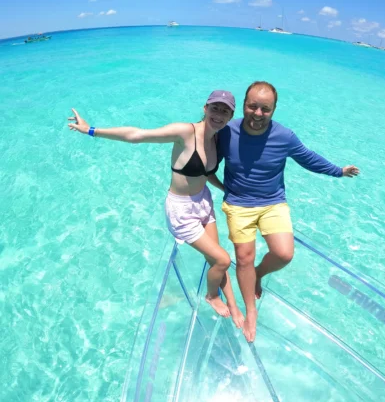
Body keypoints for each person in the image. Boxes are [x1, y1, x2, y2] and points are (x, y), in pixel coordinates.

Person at [68, 90, 244, 328]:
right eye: (215, 108)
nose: (219, 114)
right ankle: (211, 296)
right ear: (205, 108)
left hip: (203, 200)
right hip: (182, 211)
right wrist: (90, 130)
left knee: (216, 258)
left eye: (225, 111)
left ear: (231, 115)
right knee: (222, 259)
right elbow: (137, 135)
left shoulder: (216, 139)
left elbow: (206, 172)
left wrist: (226, 190)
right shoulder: (185, 131)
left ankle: (233, 306)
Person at [217, 81, 360, 342]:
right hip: (238, 203)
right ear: (244, 104)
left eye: (265, 109)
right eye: (252, 106)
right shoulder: (227, 132)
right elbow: (204, 157)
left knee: (283, 254)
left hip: (272, 202)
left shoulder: (284, 136)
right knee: (244, 257)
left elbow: (308, 158)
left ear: (273, 110)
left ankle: (257, 275)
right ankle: (251, 310)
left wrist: (338, 171)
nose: (258, 114)